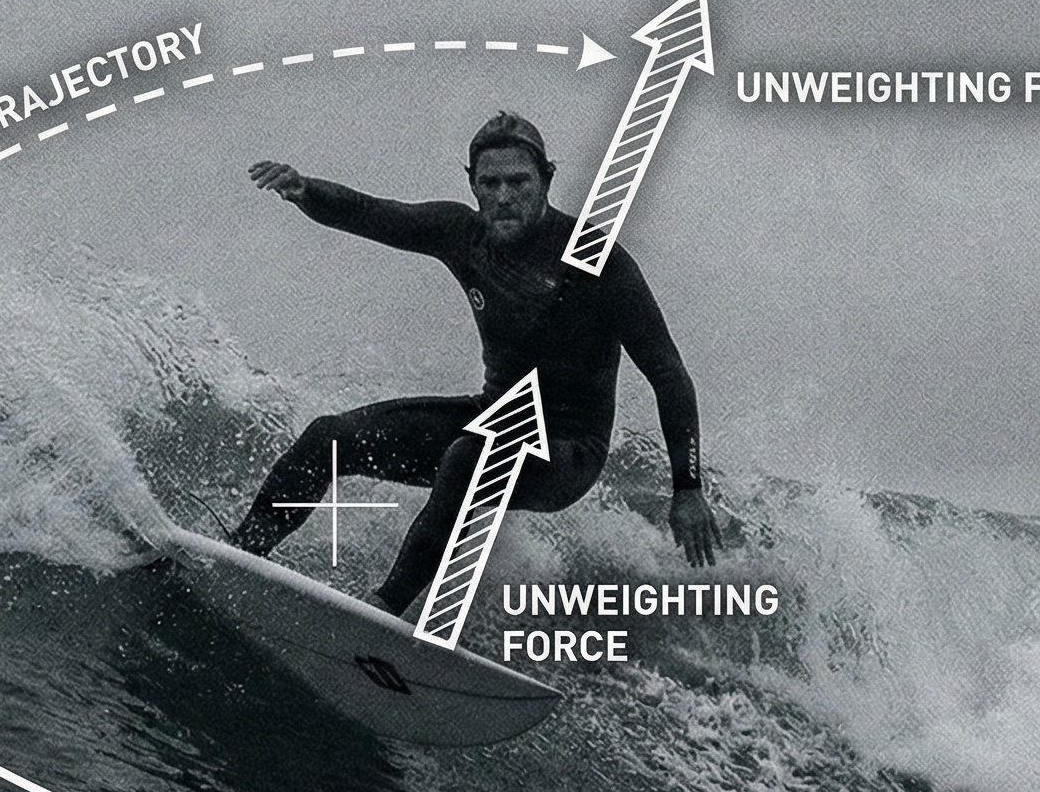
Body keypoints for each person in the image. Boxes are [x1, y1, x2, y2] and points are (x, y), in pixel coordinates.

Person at [228, 111, 720, 616]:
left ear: (547, 180)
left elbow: (669, 376)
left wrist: (687, 489)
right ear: (473, 186)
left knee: (470, 456)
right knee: (329, 437)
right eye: (490, 184)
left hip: (567, 452)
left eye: (518, 182)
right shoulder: (462, 234)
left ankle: (380, 613)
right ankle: (234, 559)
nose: (503, 196)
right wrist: (305, 190)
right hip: (493, 419)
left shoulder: (596, 262)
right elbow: (372, 213)